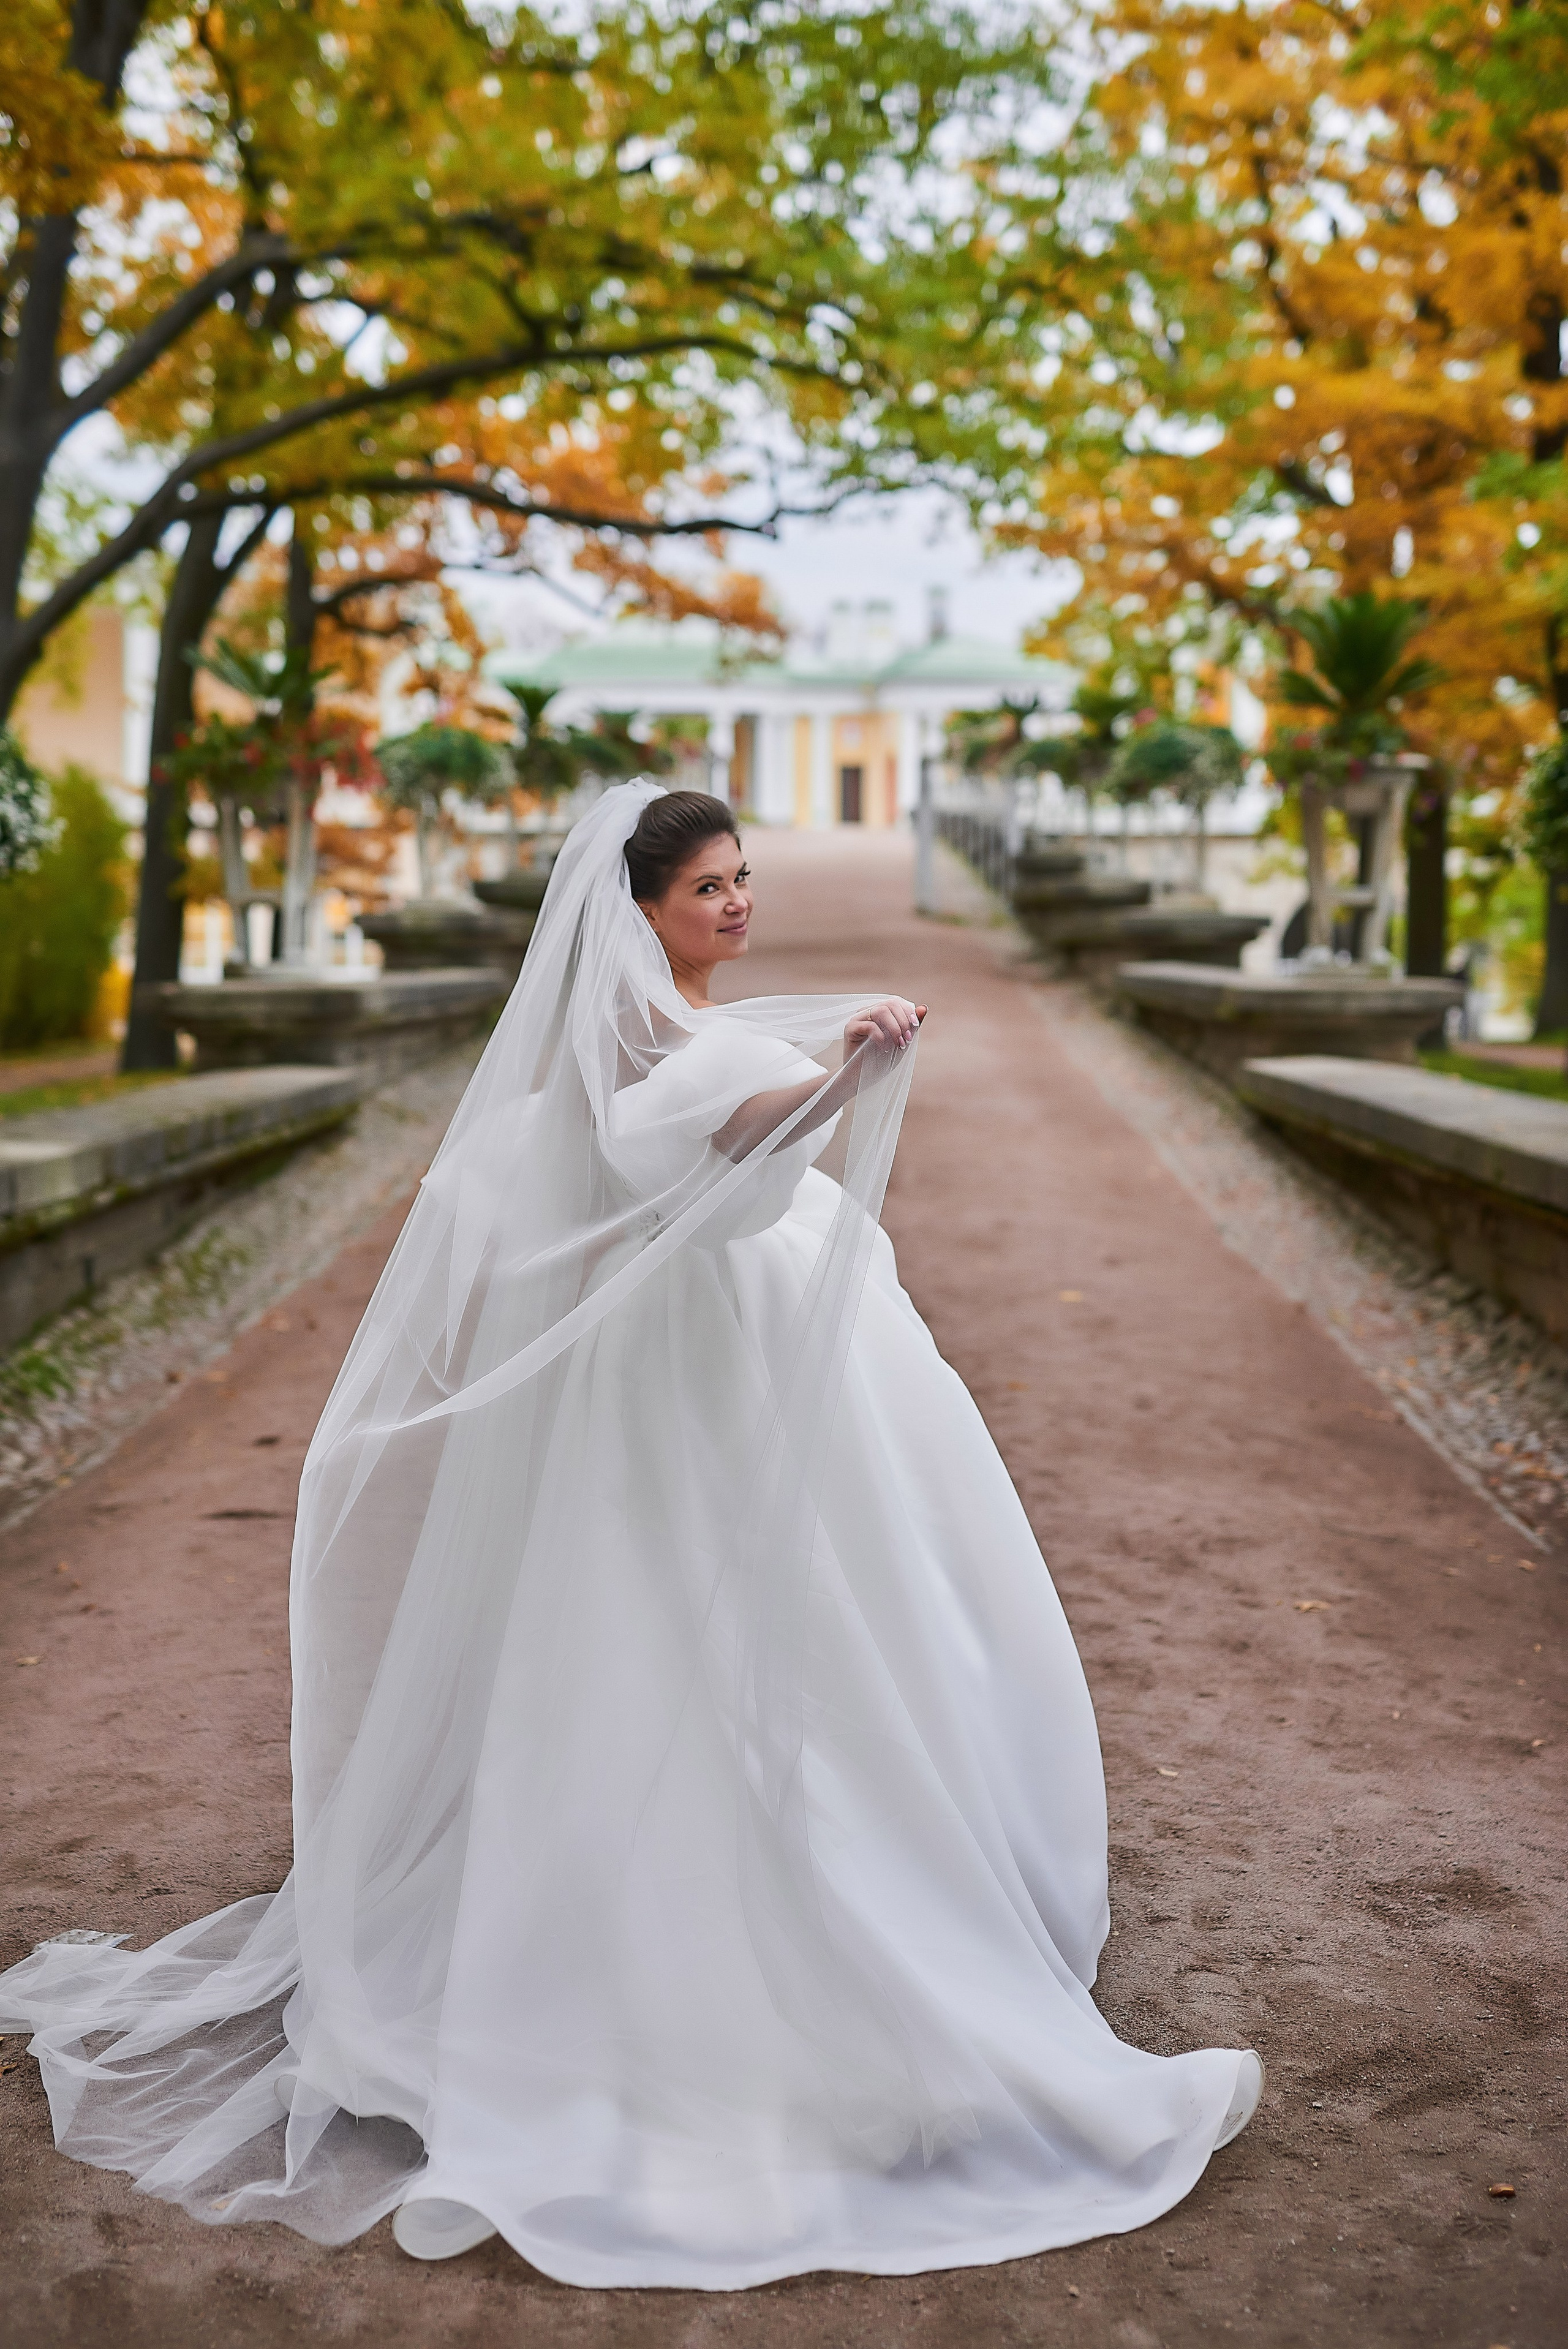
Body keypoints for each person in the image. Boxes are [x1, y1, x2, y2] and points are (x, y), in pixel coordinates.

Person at [0, 783, 1261, 2287]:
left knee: (805, 1614)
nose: (737, 903)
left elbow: (701, 1140)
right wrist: (837, 1077)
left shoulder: (651, 1028)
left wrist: (829, 1062)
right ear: (643, 911)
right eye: (708, 887)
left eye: (742, 878)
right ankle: (707, 1956)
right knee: (693, 1625)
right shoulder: (655, 1041)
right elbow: (716, 1143)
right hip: (693, 1370)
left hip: (717, 1343)